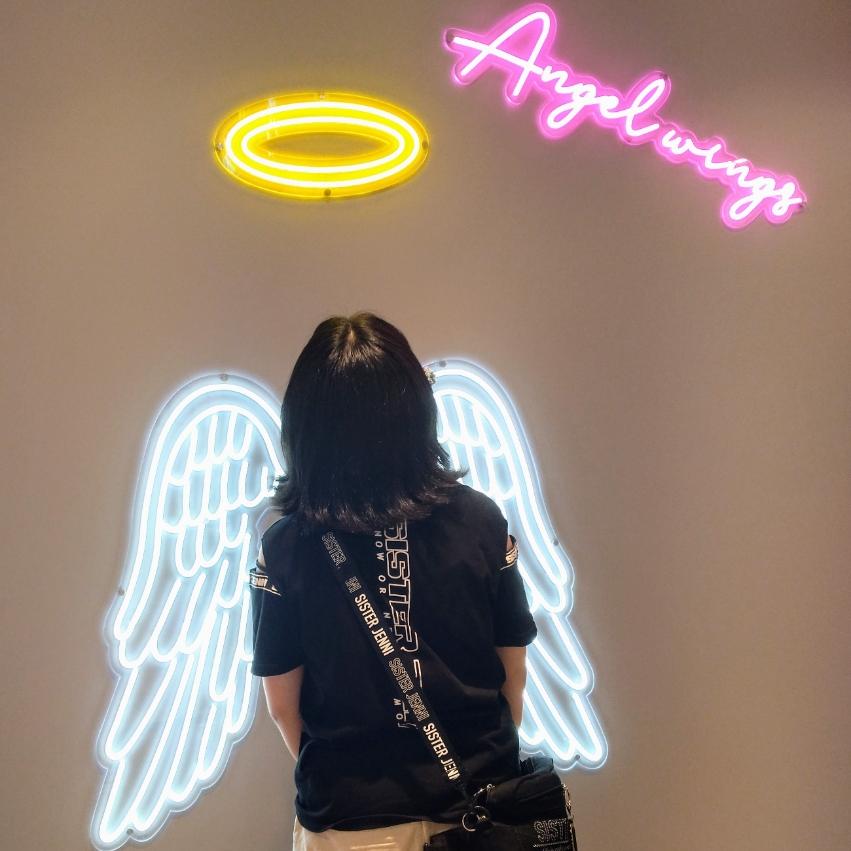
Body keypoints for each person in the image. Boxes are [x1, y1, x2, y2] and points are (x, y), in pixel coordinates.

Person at [249, 312, 538, 851]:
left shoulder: (285, 547)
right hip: (480, 814)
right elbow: (512, 677)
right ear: (416, 410)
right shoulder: (481, 522)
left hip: (350, 821)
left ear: (305, 423)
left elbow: (283, 707)